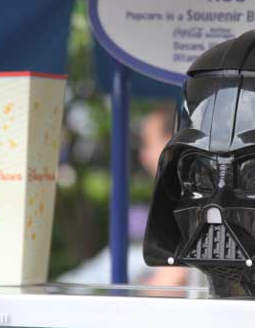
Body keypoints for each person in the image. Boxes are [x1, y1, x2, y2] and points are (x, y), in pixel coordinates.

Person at [59, 105, 188, 285]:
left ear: (170, 143)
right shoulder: (180, 200)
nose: (143, 156)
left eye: (148, 144)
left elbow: (169, 282)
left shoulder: (187, 205)